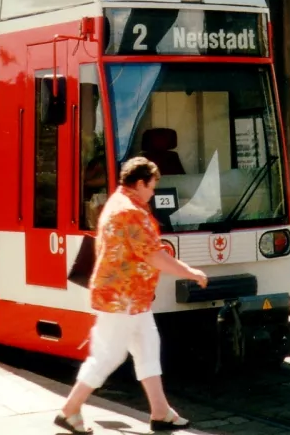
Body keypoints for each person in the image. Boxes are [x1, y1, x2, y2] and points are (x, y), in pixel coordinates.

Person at [56, 156, 208, 434]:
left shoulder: (116, 203)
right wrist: (190, 272)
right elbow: (154, 255)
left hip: (129, 297)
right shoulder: (132, 212)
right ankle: (70, 410)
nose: (153, 192)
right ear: (139, 183)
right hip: (122, 298)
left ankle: (161, 412)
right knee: (107, 356)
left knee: (148, 347)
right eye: (151, 186)